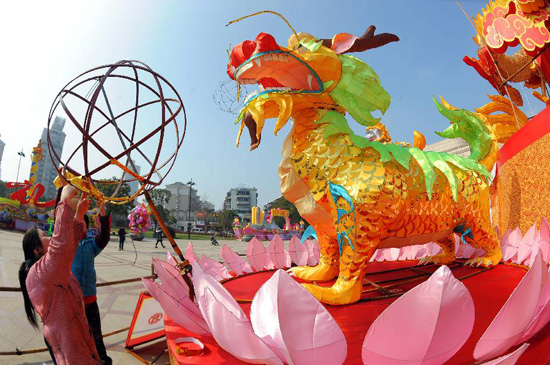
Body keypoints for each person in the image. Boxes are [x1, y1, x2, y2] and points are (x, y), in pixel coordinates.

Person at [19, 185, 100, 364]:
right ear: (36, 250)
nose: (49, 237)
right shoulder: (39, 272)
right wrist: (63, 202)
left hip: (74, 334)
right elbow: (61, 246)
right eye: (44, 236)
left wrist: (78, 215)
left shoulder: (49, 268)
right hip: (68, 341)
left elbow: (69, 244)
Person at [72, 201, 112, 364]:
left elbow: (104, 238)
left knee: (96, 338)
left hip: (90, 300)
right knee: (74, 337)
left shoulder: (90, 246)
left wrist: (103, 216)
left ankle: (102, 361)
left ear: (86, 228)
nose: (79, 226)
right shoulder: (66, 245)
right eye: (76, 222)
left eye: (82, 223)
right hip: (72, 301)